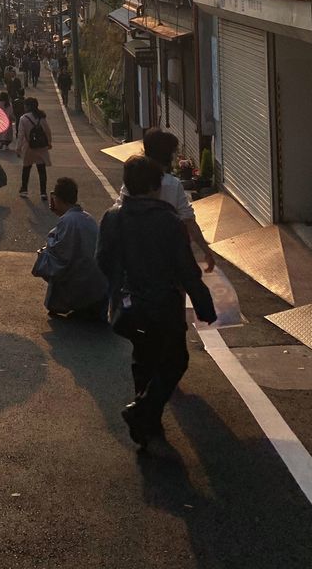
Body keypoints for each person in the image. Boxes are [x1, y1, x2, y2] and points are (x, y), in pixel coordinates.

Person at [97, 155, 216, 449]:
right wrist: (204, 305)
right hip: (163, 305)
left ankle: (148, 427)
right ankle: (143, 412)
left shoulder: (113, 217)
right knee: (176, 359)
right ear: (155, 186)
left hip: (128, 305)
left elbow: (102, 259)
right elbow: (186, 269)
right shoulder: (168, 221)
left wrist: (118, 288)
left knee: (143, 359)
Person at [139, 129, 216, 272]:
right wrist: (207, 251)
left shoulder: (133, 180)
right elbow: (188, 220)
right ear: (167, 156)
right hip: (168, 258)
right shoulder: (172, 184)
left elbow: (119, 208)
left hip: (136, 256)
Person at [32, 177, 107, 320]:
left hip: (80, 281)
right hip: (97, 285)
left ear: (58, 199)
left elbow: (60, 255)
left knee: (46, 256)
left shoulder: (67, 220)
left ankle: (67, 302)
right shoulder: (87, 217)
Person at [16, 97, 53, 201]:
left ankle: (24, 190)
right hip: (41, 147)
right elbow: (47, 131)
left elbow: (21, 135)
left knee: (26, 168)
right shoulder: (41, 117)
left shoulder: (23, 118)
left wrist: (18, 149)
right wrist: (49, 143)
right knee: (41, 170)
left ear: (27, 106)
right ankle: (43, 192)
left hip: (28, 147)